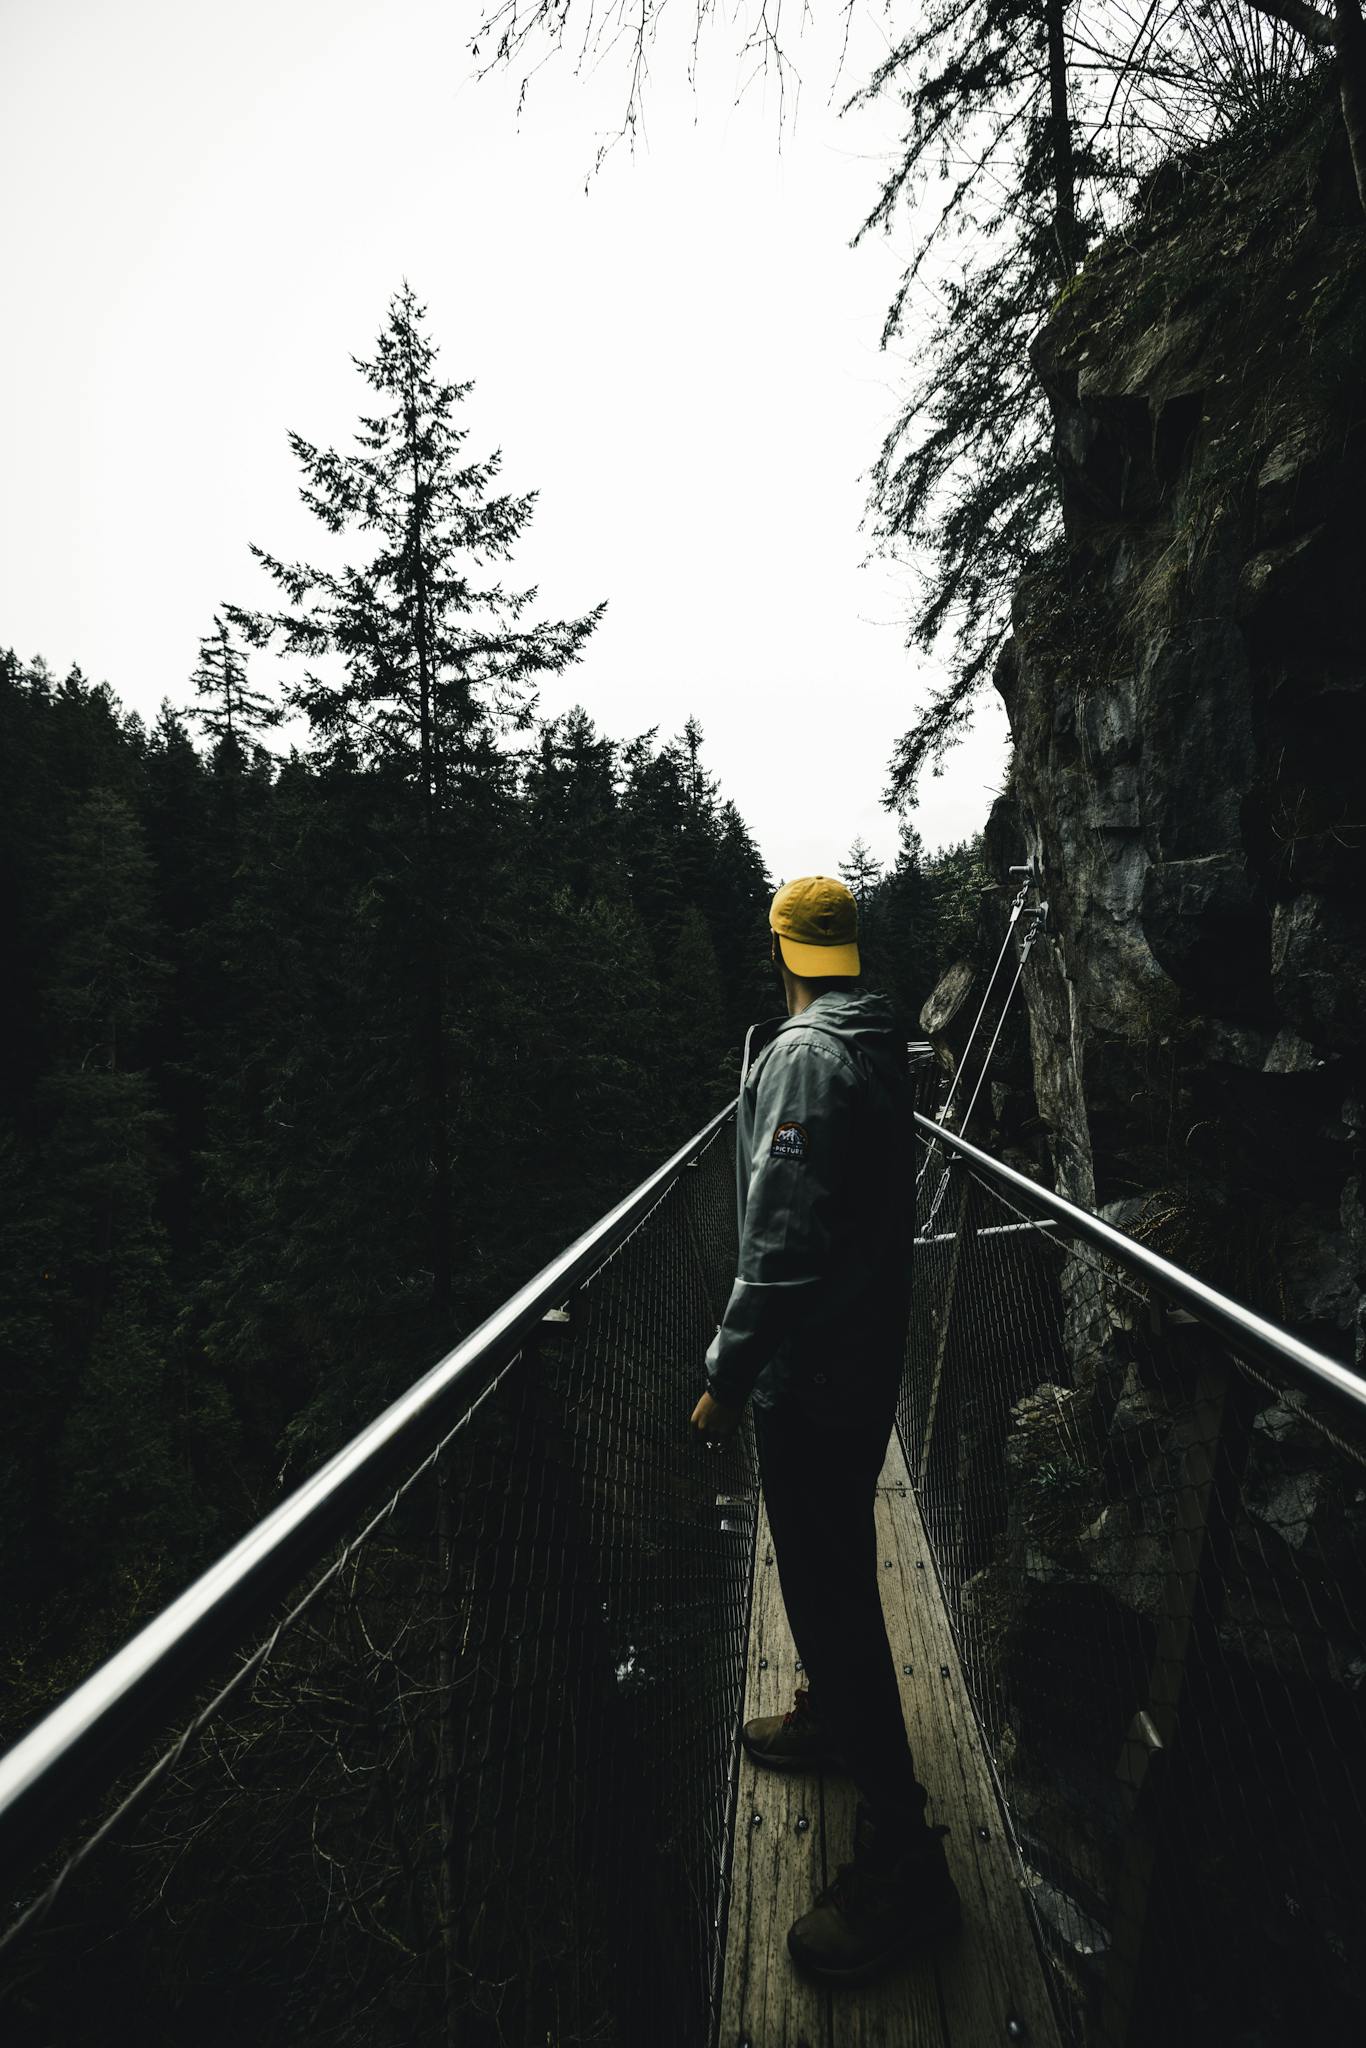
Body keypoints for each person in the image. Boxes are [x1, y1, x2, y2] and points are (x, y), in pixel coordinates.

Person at [688, 873, 961, 1985]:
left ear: (783, 949)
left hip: (811, 1380)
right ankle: (833, 1719)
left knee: (833, 1589)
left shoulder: (805, 1055)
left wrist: (723, 1371)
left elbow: (785, 1250)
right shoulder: (876, 1037)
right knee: (828, 1572)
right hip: (861, 1362)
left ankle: (904, 1862)